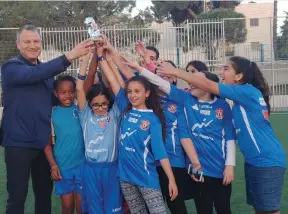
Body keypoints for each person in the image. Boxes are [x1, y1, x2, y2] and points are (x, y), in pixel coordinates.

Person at [156, 56, 286, 214]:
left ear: (238, 77)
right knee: (261, 209)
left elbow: (207, 85)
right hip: (254, 162)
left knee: (270, 211)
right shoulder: (238, 99)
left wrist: (175, 71)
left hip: (267, 161)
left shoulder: (247, 91)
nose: (221, 72)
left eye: (226, 69)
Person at [122, 57, 236, 214]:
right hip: (199, 170)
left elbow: (229, 137)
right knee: (203, 209)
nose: (191, 82)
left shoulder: (222, 105)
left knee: (224, 208)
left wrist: (230, 165)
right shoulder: (186, 98)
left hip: (220, 169)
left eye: (196, 79)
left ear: (208, 85)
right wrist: (139, 68)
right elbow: (158, 82)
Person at [1, 24, 92, 214]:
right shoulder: (11, 67)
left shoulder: (46, 73)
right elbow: (33, 75)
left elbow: (64, 96)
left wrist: (87, 64)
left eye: (36, 41)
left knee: (44, 195)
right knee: (17, 197)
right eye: (27, 42)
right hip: (18, 144)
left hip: (43, 143)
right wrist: (69, 56)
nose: (32, 45)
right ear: (18, 44)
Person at [98, 41, 178, 214]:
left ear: (147, 93)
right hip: (126, 178)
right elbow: (112, 79)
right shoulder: (126, 108)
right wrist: (101, 55)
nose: (132, 95)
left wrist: (171, 179)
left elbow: (160, 153)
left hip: (146, 178)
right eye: (130, 91)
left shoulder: (153, 119)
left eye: (137, 91)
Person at [76, 47, 123, 214]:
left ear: (109, 103)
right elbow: (80, 88)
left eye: (104, 104)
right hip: (91, 170)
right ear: (89, 104)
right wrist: (85, 60)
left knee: (113, 210)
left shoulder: (116, 113)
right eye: (96, 104)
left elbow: (112, 85)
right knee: (95, 210)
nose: (100, 107)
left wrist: (103, 58)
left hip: (112, 168)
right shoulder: (85, 115)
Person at [44, 76, 85, 214]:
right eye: (63, 92)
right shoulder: (52, 114)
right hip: (63, 167)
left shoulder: (81, 109)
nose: (68, 95)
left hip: (82, 165)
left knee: (82, 206)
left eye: (71, 91)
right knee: (67, 206)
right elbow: (47, 144)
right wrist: (53, 165)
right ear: (56, 93)